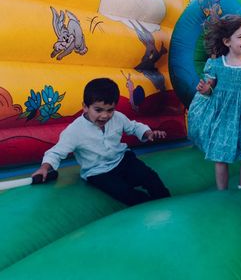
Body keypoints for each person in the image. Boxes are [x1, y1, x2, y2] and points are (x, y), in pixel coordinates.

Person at [32, 77, 170, 206]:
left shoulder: (118, 117)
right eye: (98, 110)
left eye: (110, 110)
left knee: (150, 177)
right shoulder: (75, 130)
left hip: (122, 160)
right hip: (98, 171)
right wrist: (44, 168)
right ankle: (149, 208)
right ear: (85, 107)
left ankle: (167, 203)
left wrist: (148, 133)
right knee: (123, 192)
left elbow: (133, 127)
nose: (104, 116)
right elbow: (56, 153)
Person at [188, 14, 241, 190]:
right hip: (223, 114)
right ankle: (222, 191)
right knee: (220, 155)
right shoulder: (216, 65)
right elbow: (210, 88)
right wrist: (204, 90)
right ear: (227, 41)